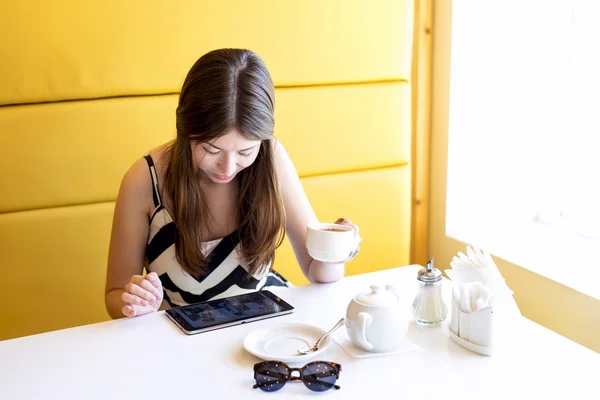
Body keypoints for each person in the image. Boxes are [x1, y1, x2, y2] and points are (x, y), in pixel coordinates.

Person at [105, 48, 360, 319]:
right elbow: (114, 294)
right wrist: (134, 302)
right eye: (212, 150)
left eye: (245, 152)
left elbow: (316, 270)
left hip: (265, 327)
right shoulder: (145, 179)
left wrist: (336, 250)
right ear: (185, 131)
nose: (227, 168)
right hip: (181, 336)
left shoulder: (271, 157)